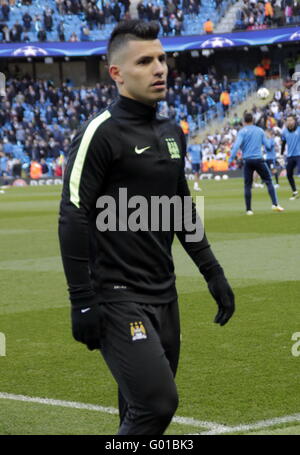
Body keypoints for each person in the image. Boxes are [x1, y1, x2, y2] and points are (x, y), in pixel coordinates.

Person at [58, 19, 235, 436]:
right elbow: (73, 214)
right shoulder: (98, 134)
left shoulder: (173, 133)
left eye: (161, 58)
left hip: (164, 293)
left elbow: (179, 207)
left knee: (138, 411)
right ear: (116, 73)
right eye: (144, 61)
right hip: (117, 297)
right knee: (158, 403)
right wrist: (81, 300)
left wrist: (213, 272)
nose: (159, 68)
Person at [228, 112, 284, 215]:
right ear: (253, 120)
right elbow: (267, 146)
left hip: (247, 161)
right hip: (258, 159)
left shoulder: (242, 131)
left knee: (247, 185)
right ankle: (275, 204)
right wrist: (271, 142)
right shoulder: (260, 130)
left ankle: (249, 210)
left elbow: (236, 146)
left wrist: (231, 159)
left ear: (244, 121)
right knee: (269, 181)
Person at [281, 115, 300, 200]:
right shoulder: (284, 131)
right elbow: (283, 143)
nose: (289, 122)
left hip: (299, 155)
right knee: (289, 175)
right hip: (290, 156)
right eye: (287, 120)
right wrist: (281, 154)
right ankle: (295, 192)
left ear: (294, 121)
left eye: (291, 120)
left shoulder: (299, 129)